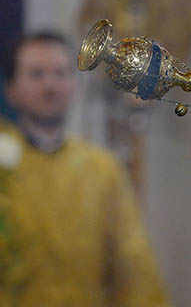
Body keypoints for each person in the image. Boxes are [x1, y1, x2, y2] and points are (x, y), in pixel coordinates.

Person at [0, 32, 170, 306]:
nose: (50, 85)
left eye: (60, 73)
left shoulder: (103, 170)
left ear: (75, 87)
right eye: (36, 74)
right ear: (11, 89)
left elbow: (135, 270)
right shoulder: (2, 169)